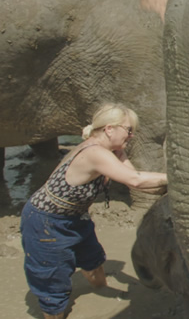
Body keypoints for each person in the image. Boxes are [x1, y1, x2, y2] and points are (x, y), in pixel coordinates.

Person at [20, 103, 168, 319]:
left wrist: (123, 153)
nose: (132, 135)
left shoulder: (109, 151)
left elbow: (133, 176)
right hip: (46, 223)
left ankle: (99, 292)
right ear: (109, 129)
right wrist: (175, 179)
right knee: (54, 286)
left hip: (75, 217)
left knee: (94, 260)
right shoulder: (94, 153)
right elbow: (135, 181)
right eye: (129, 130)